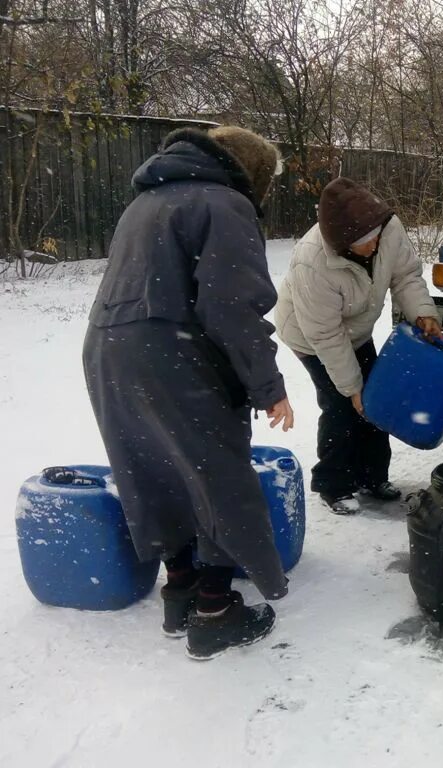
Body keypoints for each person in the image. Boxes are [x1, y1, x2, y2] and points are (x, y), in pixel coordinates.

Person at [83, 126, 295, 661]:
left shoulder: (147, 201)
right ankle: (215, 612)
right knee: (217, 475)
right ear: (254, 176)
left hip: (109, 349)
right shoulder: (224, 203)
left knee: (154, 470)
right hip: (171, 353)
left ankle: (178, 591)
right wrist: (268, 387)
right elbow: (230, 307)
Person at [275, 178, 441, 514]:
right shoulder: (313, 263)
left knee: (375, 402)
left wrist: (423, 313)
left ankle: (372, 476)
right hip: (311, 336)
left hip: (356, 330)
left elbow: (406, 275)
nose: (375, 245)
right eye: (365, 243)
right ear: (344, 244)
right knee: (342, 405)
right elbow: (325, 335)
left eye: (376, 236)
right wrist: (351, 387)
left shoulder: (387, 230)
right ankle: (333, 484)